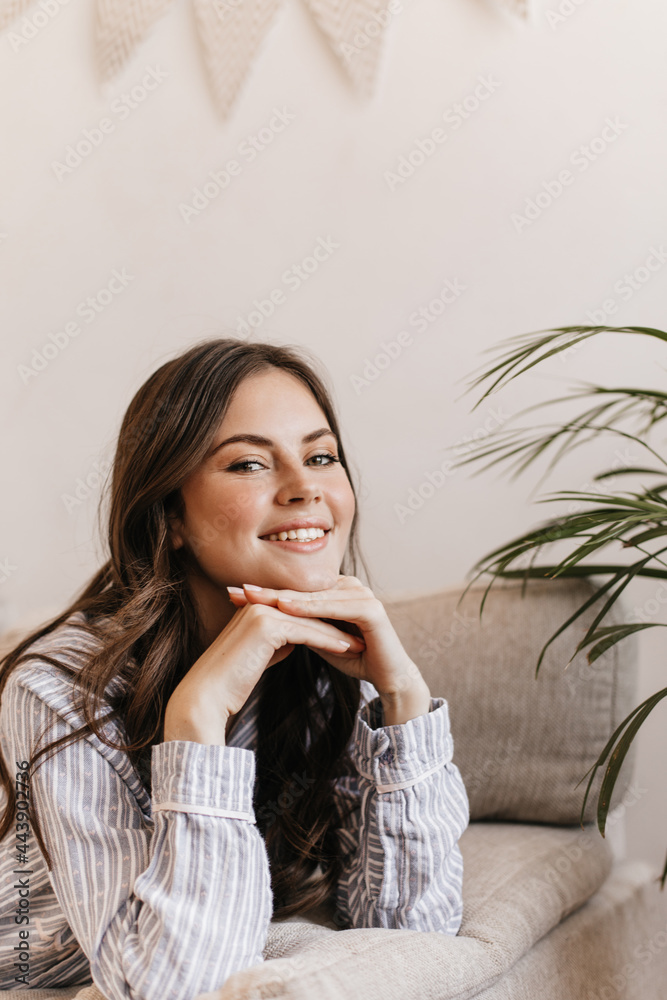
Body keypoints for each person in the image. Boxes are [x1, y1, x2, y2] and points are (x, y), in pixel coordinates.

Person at [0, 338, 469, 999]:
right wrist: (197, 717)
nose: (305, 487)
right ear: (170, 519)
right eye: (249, 463)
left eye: (321, 456)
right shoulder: (56, 688)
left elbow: (410, 929)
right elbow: (174, 986)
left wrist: (402, 696)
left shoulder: (324, 657)